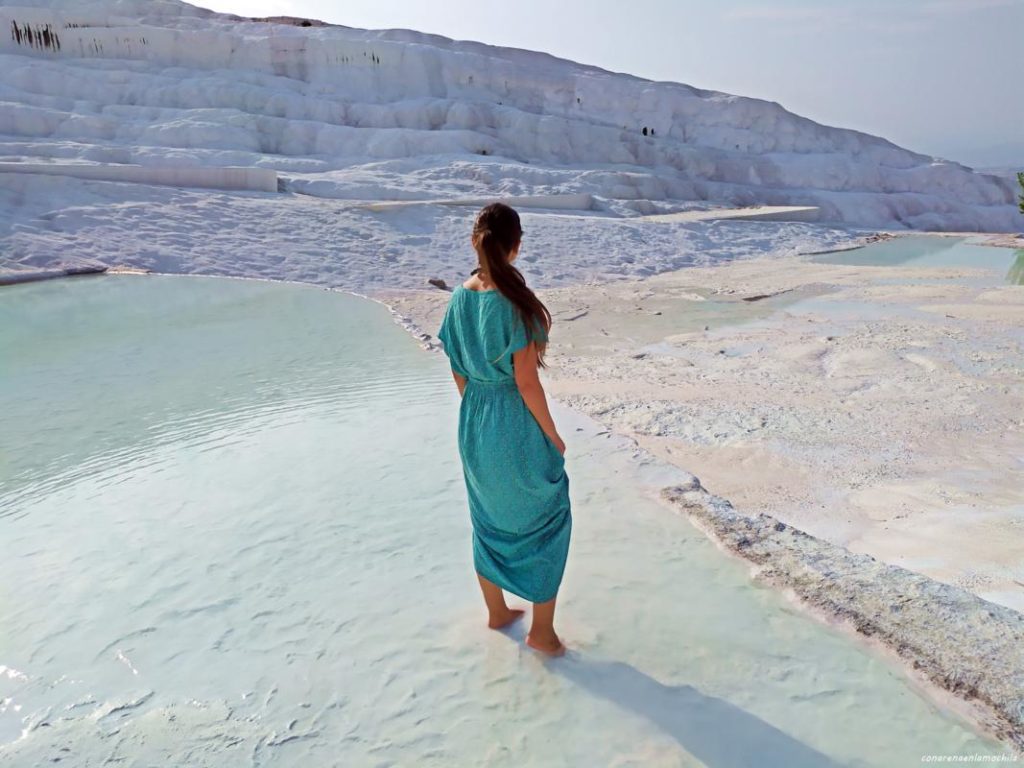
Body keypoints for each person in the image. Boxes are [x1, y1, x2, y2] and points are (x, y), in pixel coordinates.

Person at [436, 202, 572, 657]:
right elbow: (527, 382)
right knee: (547, 517)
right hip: (515, 419)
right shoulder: (516, 304)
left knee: (487, 518)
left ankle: (497, 612)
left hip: (474, 419)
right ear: (515, 245)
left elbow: (457, 369)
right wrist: (552, 436)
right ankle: (543, 633)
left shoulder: (459, 298)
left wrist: (479, 413)